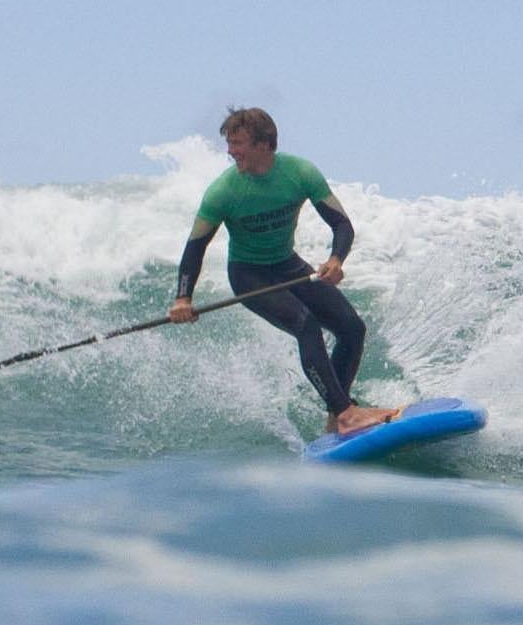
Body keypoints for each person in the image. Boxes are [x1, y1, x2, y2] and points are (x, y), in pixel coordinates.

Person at [168, 108, 402, 436]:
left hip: (287, 265)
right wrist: (183, 297)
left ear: (264, 144)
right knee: (305, 325)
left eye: (238, 143)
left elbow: (341, 224)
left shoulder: (299, 173)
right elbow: (195, 247)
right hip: (249, 275)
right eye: (230, 143)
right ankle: (346, 413)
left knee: (352, 329)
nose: (231, 151)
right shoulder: (224, 191)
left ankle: (337, 416)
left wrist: (336, 259)